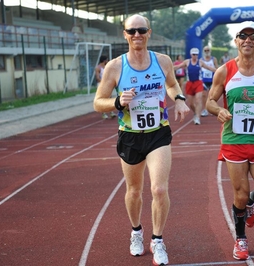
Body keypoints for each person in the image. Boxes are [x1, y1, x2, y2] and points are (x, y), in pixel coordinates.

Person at [93, 14, 190, 266]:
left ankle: (157, 240)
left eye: (141, 30)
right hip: (130, 135)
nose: (137, 35)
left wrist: (179, 99)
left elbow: (172, 85)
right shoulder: (115, 67)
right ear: (124, 34)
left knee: (159, 188)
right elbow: (97, 102)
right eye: (132, 31)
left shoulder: (163, 61)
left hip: (158, 132)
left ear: (149, 32)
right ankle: (136, 231)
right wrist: (117, 102)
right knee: (134, 191)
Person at [206, 21, 254, 261]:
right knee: (239, 195)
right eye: (243, 36)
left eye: (253, 36)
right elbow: (210, 100)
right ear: (236, 41)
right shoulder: (225, 71)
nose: (248, 40)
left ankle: (252, 204)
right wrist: (217, 111)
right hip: (234, 141)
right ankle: (240, 239)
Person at [174, 47, 216, 125]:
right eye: (194, 54)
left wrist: (220, 71)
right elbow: (177, 67)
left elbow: (209, 68)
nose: (195, 56)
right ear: (191, 54)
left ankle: (197, 117)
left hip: (198, 83)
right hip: (189, 83)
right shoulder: (187, 62)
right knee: (190, 103)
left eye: (196, 54)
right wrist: (167, 69)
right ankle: (195, 112)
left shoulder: (200, 62)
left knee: (198, 99)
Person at [201, 46, 218, 117]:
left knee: (212, 96)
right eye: (205, 50)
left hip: (212, 80)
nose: (206, 51)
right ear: (203, 51)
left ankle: (211, 109)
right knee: (204, 95)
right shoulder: (201, 60)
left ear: (210, 51)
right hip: (204, 80)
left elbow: (217, 68)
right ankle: (205, 109)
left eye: (208, 50)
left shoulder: (213, 59)